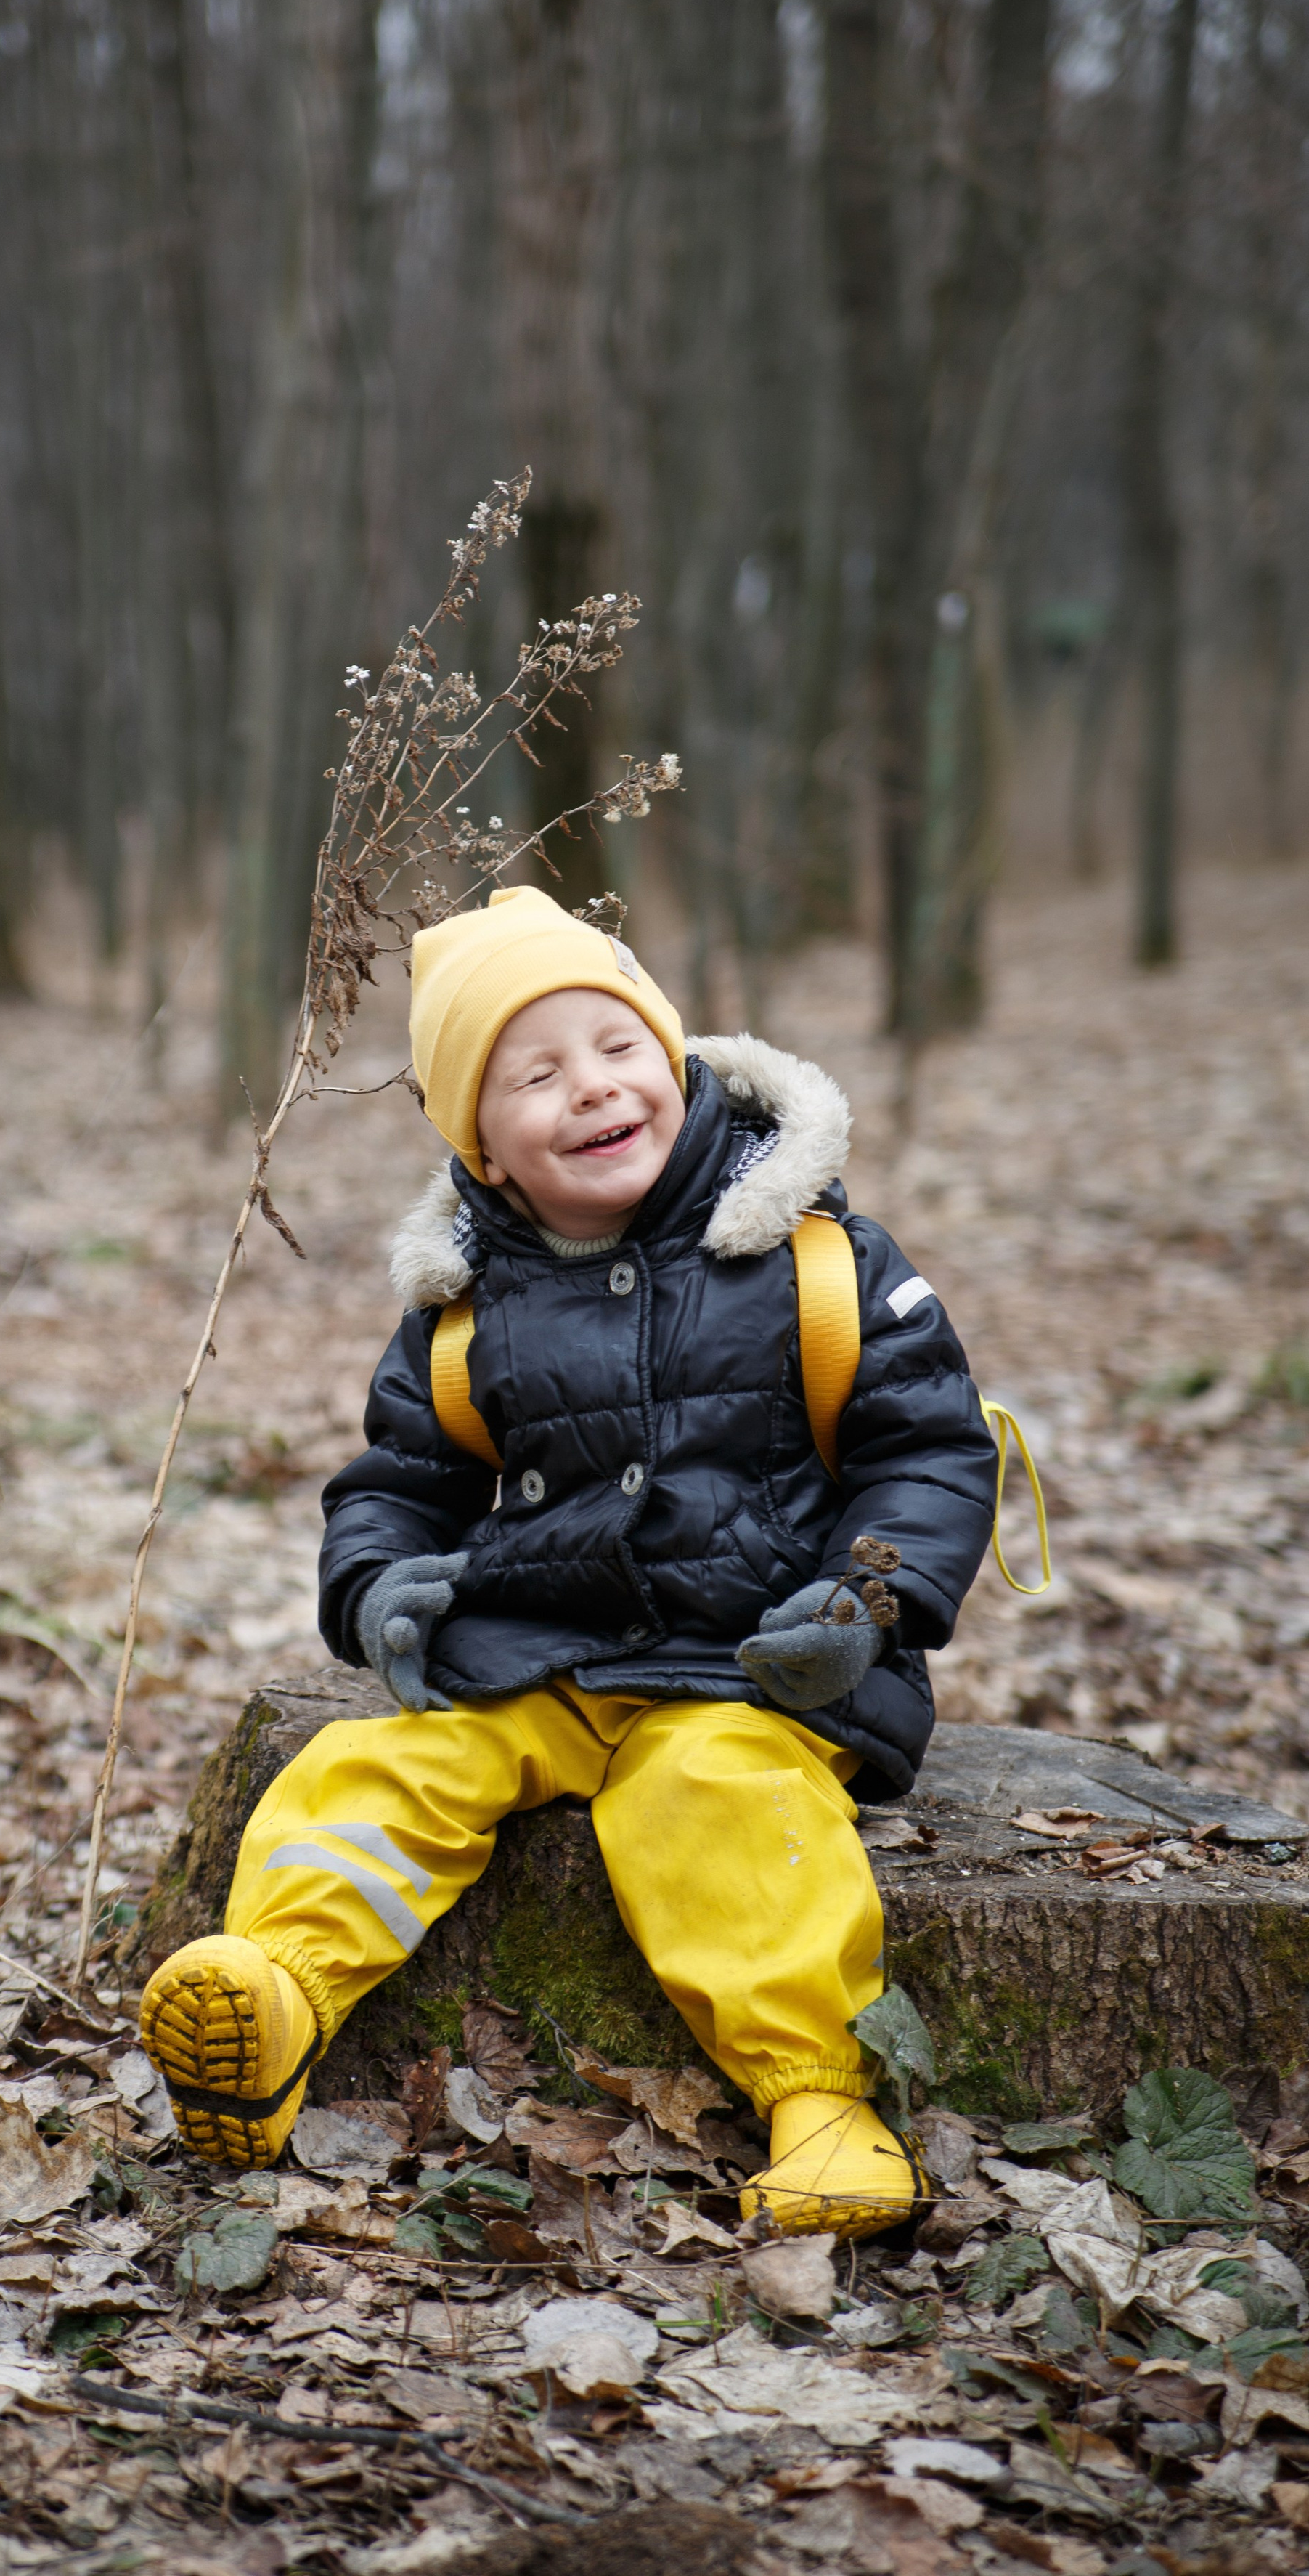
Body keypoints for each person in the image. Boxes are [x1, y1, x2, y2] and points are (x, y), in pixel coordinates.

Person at [139, 886, 998, 2233]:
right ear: (484, 1150)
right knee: (374, 1767)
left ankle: (821, 2101)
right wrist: (376, 1592)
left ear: (674, 1058)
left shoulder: (816, 1255)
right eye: (532, 1076)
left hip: (756, 1664)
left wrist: (869, 1596)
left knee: (714, 1806)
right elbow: (397, 1483)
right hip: (538, 1654)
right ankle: (273, 1998)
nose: (590, 1089)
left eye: (616, 1048)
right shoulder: (463, 1307)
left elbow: (934, 1451)